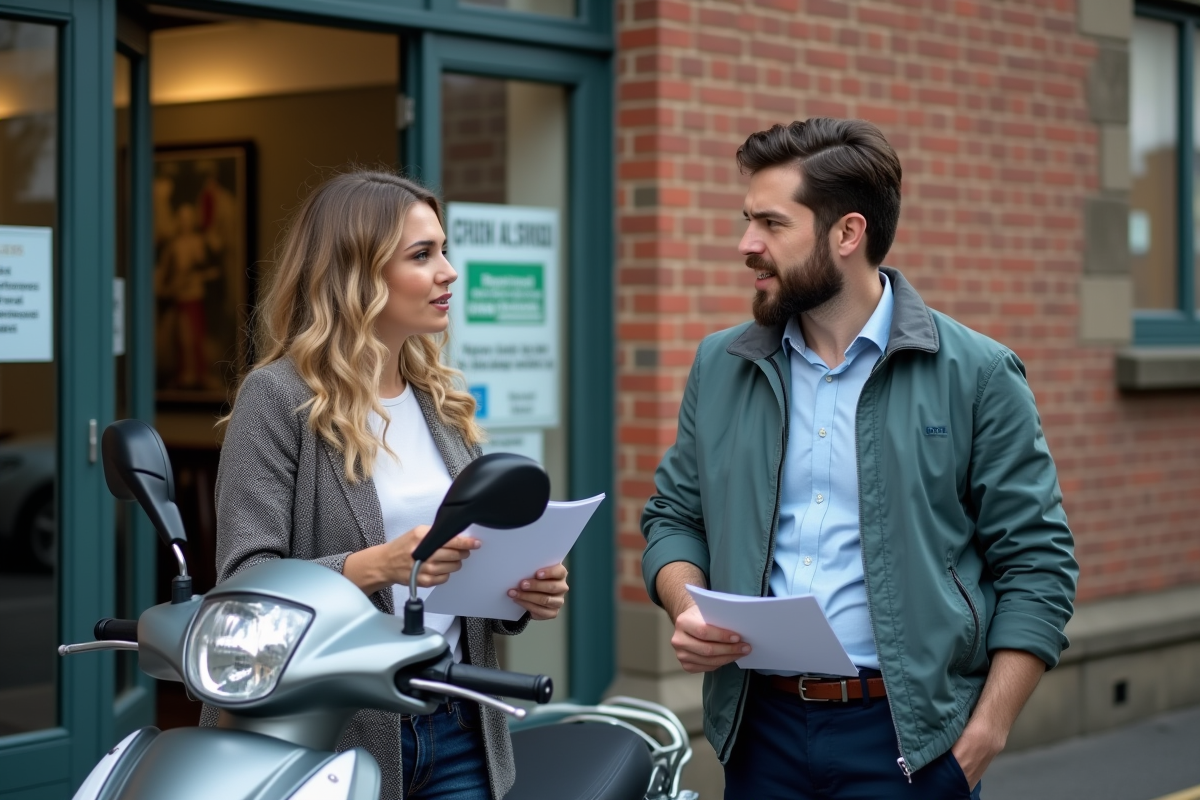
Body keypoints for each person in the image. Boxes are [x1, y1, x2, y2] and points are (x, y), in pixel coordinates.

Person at [640, 118, 1078, 799]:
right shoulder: (721, 365)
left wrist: (987, 731)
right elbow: (674, 515)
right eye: (746, 220)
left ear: (847, 234)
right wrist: (684, 604)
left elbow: (1037, 563)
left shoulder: (978, 374)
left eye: (771, 224)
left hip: (909, 739)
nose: (746, 245)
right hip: (760, 732)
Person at [203, 170, 569, 800]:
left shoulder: (441, 402)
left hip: (458, 723)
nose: (449, 272)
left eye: (445, 250)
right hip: (330, 730)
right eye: (422, 255)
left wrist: (519, 592)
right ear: (357, 274)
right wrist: (379, 565)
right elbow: (244, 585)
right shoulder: (278, 398)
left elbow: (459, 572)